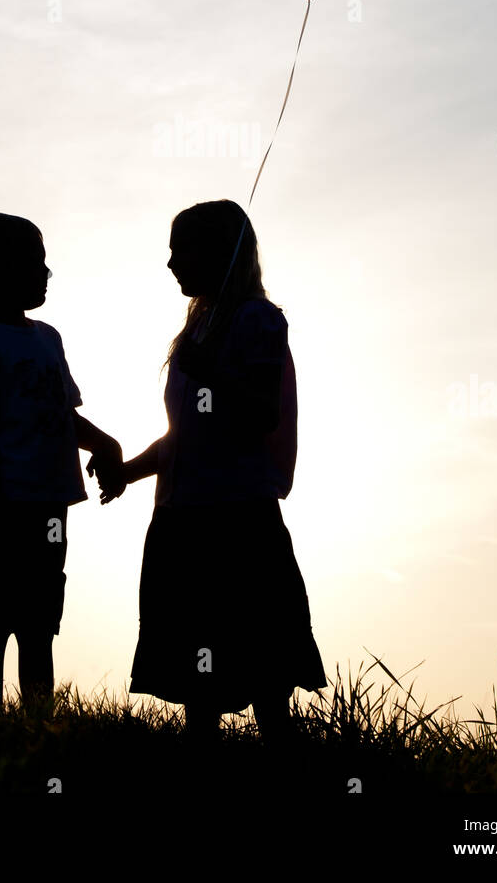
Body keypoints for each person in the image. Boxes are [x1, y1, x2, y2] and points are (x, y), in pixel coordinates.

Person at [96, 199, 327, 744]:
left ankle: (278, 762)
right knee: (193, 664)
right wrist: (129, 472)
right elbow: (185, 436)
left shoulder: (258, 320)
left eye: (182, 250)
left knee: (265, 661)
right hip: (182, 516)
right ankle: (203, 768)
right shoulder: (197, 328)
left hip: (238, 515)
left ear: (221, 254)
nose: (172, 262)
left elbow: (260, 413)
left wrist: (213, 375)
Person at [0, 210, 125, 713]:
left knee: (39, 622)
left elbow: (63, 415)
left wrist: (107, 445)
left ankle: (37, 719)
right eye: (34, 263)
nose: (45, 273)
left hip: (50, 508)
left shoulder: (48, 339)